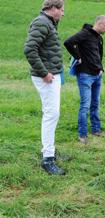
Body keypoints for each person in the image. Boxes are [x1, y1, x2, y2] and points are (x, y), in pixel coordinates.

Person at [24, 0, 65, 175]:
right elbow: (29, 49)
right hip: (47, 77)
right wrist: (44, 73)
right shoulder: (41, 22)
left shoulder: (49, 23)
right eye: (61, 10)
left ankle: (50, 151)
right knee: (51, 114)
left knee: (52, 113)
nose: (63, 13)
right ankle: (47, 158)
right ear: (52, 8)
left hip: (52, 75)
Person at [64, 15, 105, 144]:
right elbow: (68, 42)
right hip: (85, 75)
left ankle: (96, 130)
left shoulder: (99, 38)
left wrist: (101, 68)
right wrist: (78, 57)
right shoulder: (84, 34)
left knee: (95, 103)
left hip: (97, 75)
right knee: (85, 105)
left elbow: (99, 55)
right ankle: (82, 135)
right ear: (99, 24)